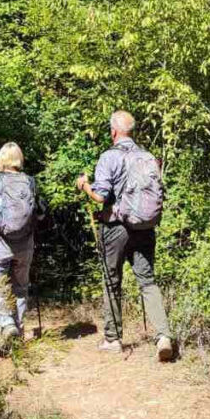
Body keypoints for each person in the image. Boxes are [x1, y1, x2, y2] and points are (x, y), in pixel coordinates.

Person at [76, 110, 174, 362]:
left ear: (113, 131)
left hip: (116, 227)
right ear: (133, 131)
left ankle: (113, 339)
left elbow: (100, 196)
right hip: (145, 228)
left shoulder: (110, 157)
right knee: (147, 281)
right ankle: (163, 336)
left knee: (112, 280)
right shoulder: (148, 157)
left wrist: (85, 184)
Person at [0, 142, 46, 357]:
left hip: (0, 243)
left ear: (1, 159)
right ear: (19, 160)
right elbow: (40, 214)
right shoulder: (30, 182)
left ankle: (7, 325)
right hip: (25, 244)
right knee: (21, 287)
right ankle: (18, 331)